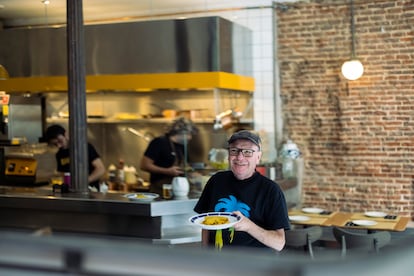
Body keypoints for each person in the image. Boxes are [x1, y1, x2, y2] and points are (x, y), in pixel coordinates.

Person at [194, 130, 290, 252]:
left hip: (253, 267)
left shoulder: (271, 190)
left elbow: (279, 243)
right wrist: (205, 255)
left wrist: (249, 226)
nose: (240, 157)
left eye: (248, 152)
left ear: (258, 157)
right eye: (234, 150)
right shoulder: (216, 181)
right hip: (217, 264)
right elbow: (206, 225)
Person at [140, 117, 198, 195]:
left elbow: (186, 166)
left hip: (178, 189)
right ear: (180, 132)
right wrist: (167, 171)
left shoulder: (182, 146)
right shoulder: (159, 142)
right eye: (189, 134)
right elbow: (144, 165)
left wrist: (193, 174)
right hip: (160, 189)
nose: (190, 138)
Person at [45, 124, 106, 191]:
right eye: (55, 144)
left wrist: (85, 181)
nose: (59, 146)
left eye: (60, 141)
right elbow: (62, 174)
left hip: (91, 190)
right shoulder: (59, 154)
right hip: (70, 192)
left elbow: (100, 169)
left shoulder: (84, 147)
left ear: (66, 134)